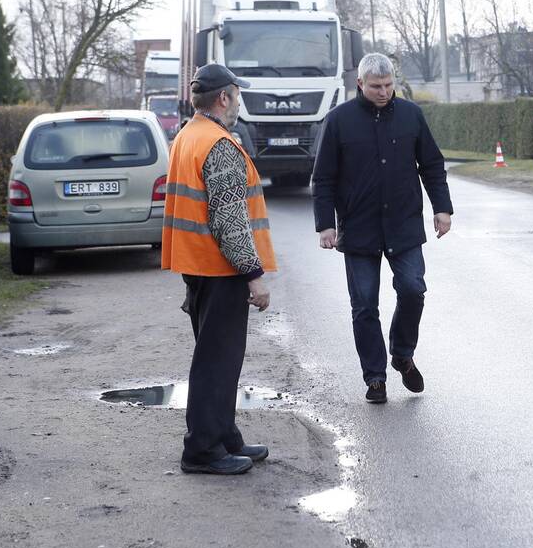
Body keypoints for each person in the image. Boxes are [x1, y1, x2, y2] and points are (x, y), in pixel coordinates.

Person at [312, 53, 453, 403]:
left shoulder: (411, 115)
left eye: (389, 85)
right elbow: (324, 178)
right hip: (359, 229)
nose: (384, 92)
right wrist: (325, 225)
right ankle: (375, 378)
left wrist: (443, 208)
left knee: (412, 290)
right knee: (364, 306)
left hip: (403, 225)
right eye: (376, 86)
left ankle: (402, 354)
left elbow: (432, 165)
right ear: (360, 84)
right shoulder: (339, 120)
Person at [161, 64, 277, 474]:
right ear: (223, 98)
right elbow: (229, 222)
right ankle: (203, 451)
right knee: (218, 360)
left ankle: (225, 436)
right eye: (237, 95)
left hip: (197, 266)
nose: (240, 102)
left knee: (216, 357)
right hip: (221, 269)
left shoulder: (187, 136)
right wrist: (254, 275)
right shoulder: (219, 144)